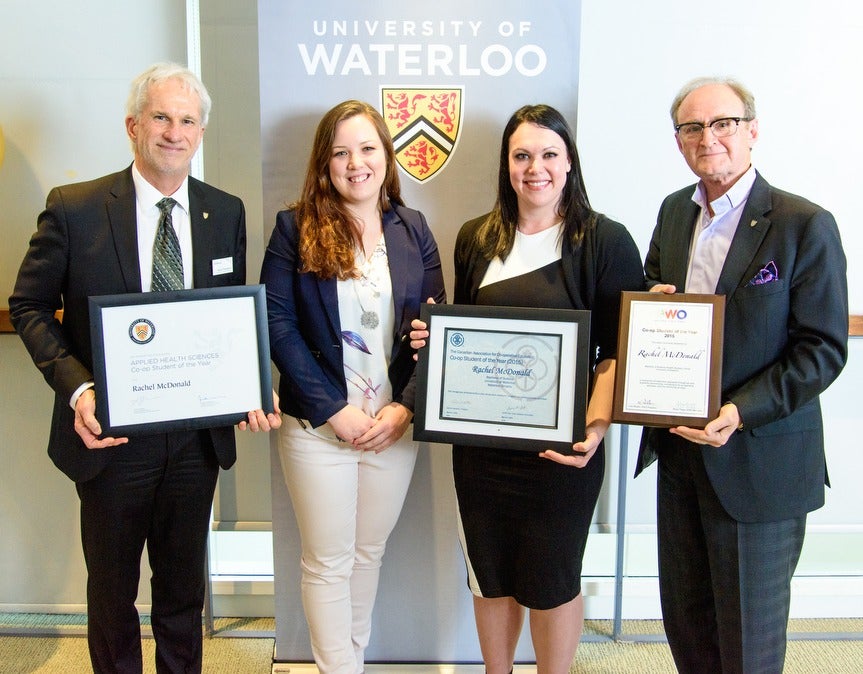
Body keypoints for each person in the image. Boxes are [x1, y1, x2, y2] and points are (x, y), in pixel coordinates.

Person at [8, 62, 281, 674]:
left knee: (183, 593)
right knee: (112, 595)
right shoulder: (74, 209)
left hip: (194, 441)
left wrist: (247, 386)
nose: (173, 131)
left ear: (201, 133)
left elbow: (228, 319)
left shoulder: (225, 211)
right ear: (134, 125)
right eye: (161, 116)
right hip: (110, 435)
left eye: (187, 120)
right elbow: (28, 305)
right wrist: (77, 387)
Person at [414, 104, 644, 673]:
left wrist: (594, 429)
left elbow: (617, 351)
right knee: (489, 576)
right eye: (521, 156)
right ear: (506, 165)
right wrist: (432, 337)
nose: (534, 168)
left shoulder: (605, 240)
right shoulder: (476, 238)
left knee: (553, 578)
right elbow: (462, 336)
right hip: (482, 450)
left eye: (547, 154)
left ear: (569, 163)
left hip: (563, 453)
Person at [635, 76, 848, 673]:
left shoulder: (804, 224)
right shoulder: (675, 212)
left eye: (723, 123)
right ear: (679, 142)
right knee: (689, 630)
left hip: (759, 464)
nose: (710, 138)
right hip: (681, 460)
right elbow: (653, 294)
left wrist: (739, 411)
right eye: (693, 127)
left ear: (752, 130)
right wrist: (654, 303)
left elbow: (822, 349)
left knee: (749, 647)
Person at [260, 99, 446, 674]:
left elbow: (437, 327)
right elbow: (277, 325)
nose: (355, 162)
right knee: (327, 562)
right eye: (341, 151)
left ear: (387, 157)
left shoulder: (413, 229)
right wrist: (332, 409)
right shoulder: (295, 227)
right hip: (320, 429)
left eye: (367, 148)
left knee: (368, 555)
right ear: (324, 162)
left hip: (393, 427)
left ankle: (352, 663)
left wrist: (405, 410)